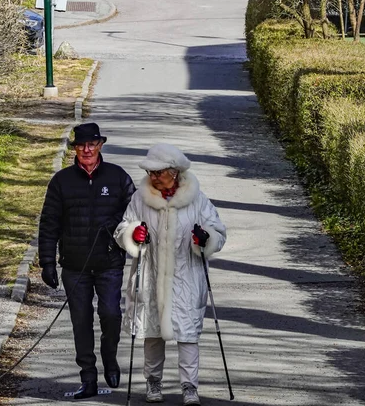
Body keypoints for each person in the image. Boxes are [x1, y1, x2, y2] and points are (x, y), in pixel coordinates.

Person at [114, 143, 226, 406]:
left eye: (158, 172)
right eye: (151, 172)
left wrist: (205, 238)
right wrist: (133, 235)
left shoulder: (197, 198)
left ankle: (190, 387)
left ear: (174, 172)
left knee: (188, 334)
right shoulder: (141, 198)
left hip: (186, 276)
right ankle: (153, 383)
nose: (153, 177)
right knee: (152, 332)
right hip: (150, 275)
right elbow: (123, 228)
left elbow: (219, 232)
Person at [38, 122, 135, 400]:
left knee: (111, 314)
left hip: (109, 262)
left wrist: (118, 226)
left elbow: (136, 214)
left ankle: (110, 358)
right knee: (81, 321)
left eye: (92, 144)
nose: (87, 149)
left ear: (101, 145)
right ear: (75, 149)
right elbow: (49, 223)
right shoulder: (61, 181)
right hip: (74, 265)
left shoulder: (118, 177)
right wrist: (47, 262)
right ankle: (88, 377)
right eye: (82, 145)